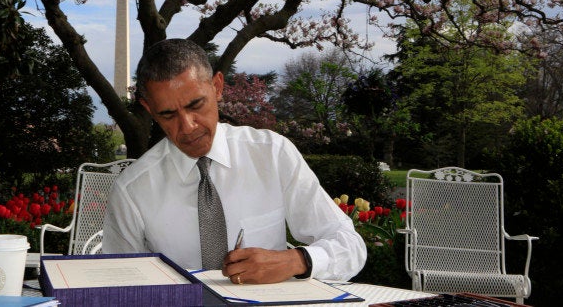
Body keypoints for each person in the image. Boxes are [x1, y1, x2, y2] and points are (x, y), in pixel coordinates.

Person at [103, 38, 366, 284]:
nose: (187, 126)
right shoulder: (132, 190)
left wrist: (296, 261)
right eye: (168, 114)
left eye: (196, 105)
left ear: (217, 87)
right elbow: (117, 282)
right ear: (149, 110)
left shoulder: (272, 154)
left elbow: (350, 245)